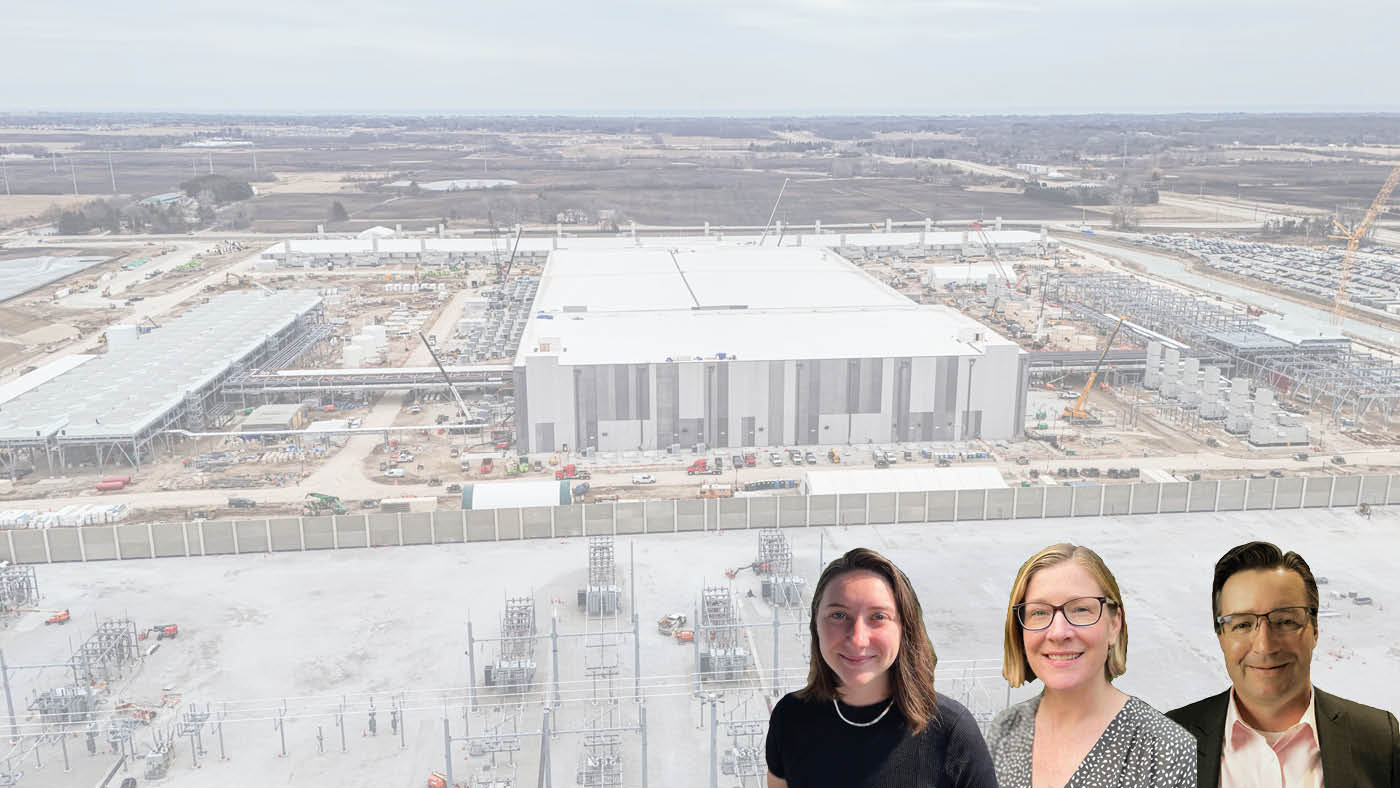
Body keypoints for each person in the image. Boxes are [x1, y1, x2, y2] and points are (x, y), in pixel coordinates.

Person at [1166, 541, 1400, 787]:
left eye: (1286, 621)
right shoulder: (1164, 742)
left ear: (1315, 630)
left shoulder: (1380, 740)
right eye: (1243, 625)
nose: (1265, 646)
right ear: (1221, 637)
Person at [765, 547, 996, 787]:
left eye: (878, 617)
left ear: (904, 629)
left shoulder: (951, 731)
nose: (857, 639)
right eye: (838, 615)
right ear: (816, 625)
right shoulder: (789, 718)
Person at [987, 543, 1195, 787]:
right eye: (1040, 613)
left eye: (1081, 609)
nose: (1058, 632)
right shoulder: (1005, 730)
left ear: (1114, 624)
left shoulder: (1167, 752)